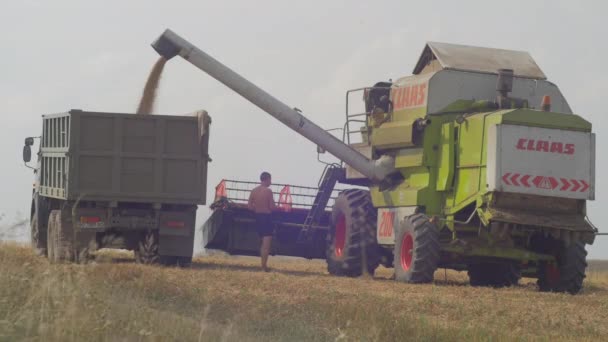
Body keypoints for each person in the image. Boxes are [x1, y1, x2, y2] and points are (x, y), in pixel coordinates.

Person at [248, 171, 277, 272]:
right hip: (266, 218)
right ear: (267, 179)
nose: (271, 182)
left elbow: (250, 206)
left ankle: (263, 266)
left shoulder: (254, 191)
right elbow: (272, 207)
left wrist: (257, 208)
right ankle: (263, 267)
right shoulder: (268, 191)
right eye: (270, 179)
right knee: (266, 245)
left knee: (262, 244)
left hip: (257, 217)